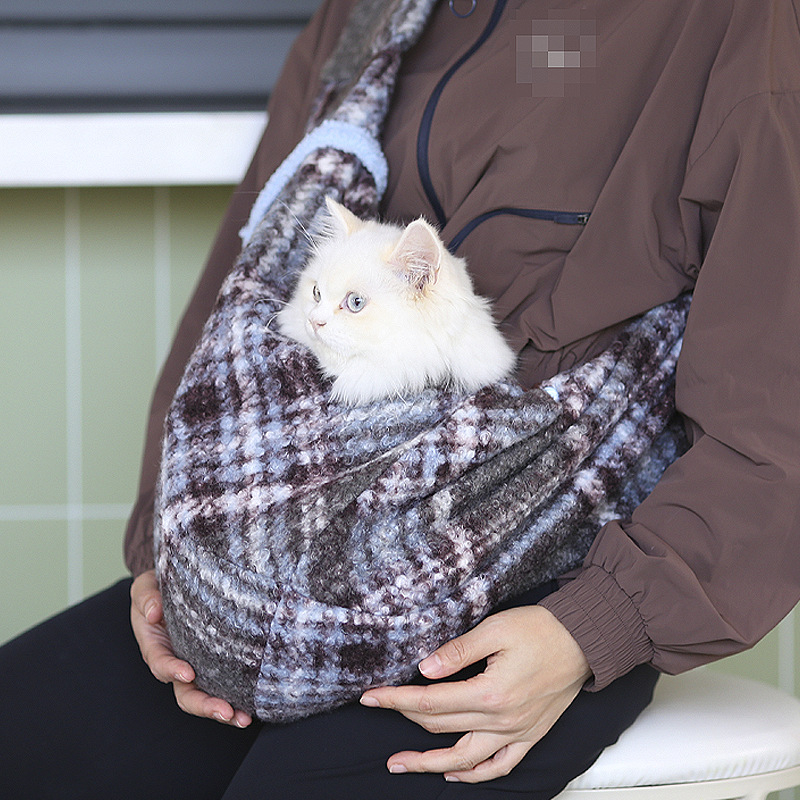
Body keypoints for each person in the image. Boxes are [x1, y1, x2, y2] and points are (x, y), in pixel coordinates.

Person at [2, 1, 799, 797]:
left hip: (529, 577)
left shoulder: (740, 27)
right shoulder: (371, 16)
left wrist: (598, 624)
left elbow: (775, 405)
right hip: (276, 534)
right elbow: (242, 295)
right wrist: (172, 545)